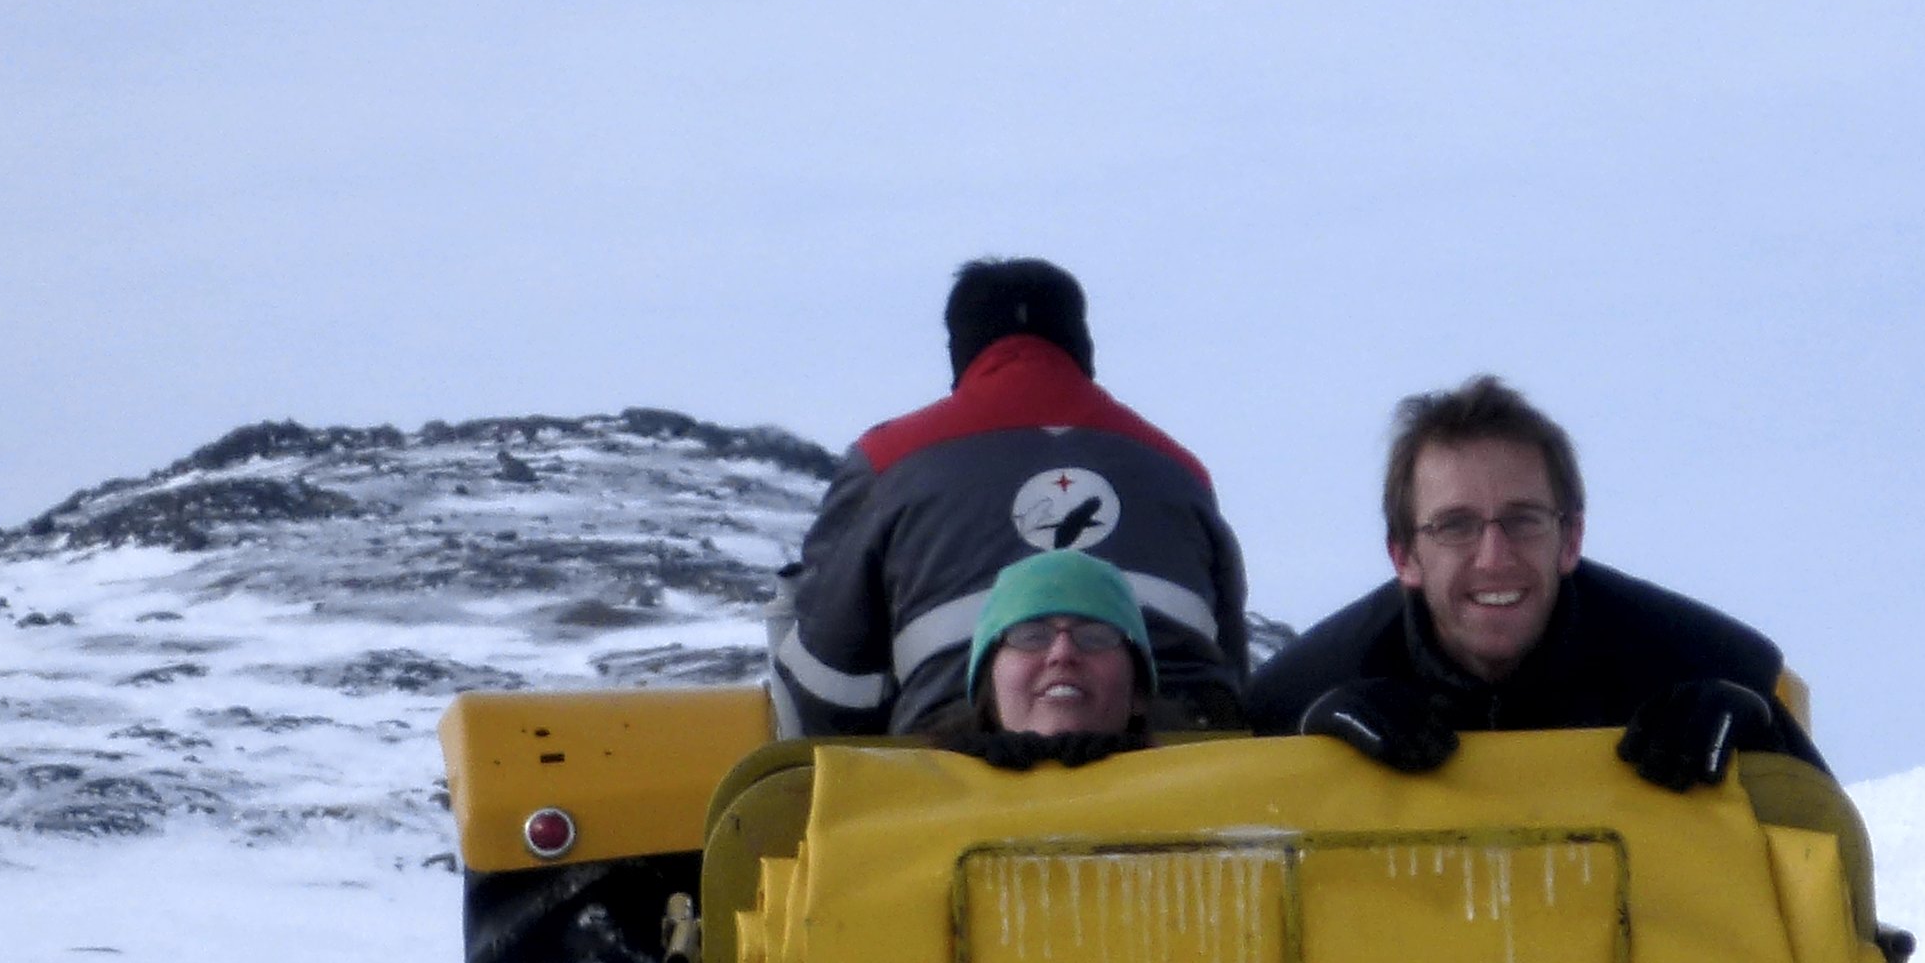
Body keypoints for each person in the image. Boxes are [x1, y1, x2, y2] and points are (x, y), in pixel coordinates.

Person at [1247, 375, 1823, 788]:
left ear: (1570, 539)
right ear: (1404, 557)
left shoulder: (1696, 662)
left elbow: (1832, 869)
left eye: (1522, 520)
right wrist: (1308, 744)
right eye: (1455, 526)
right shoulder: (1298, 698)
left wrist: (1762, 738)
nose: (1494, 557)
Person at [770, 259, 1253, 738]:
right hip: (1184, 756)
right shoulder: (1177, 468)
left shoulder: (889, 460)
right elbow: (1231, 664)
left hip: (962, 762)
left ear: (959, 349)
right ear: (1082, 345)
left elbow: (825, 686)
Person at [915, 551, 1156, 766]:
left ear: (1138, 691)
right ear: (988, 688)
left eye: (1095, 638)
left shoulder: (1189, 799)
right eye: (1031, 637)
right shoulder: (922, 799)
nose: (1062, 653)